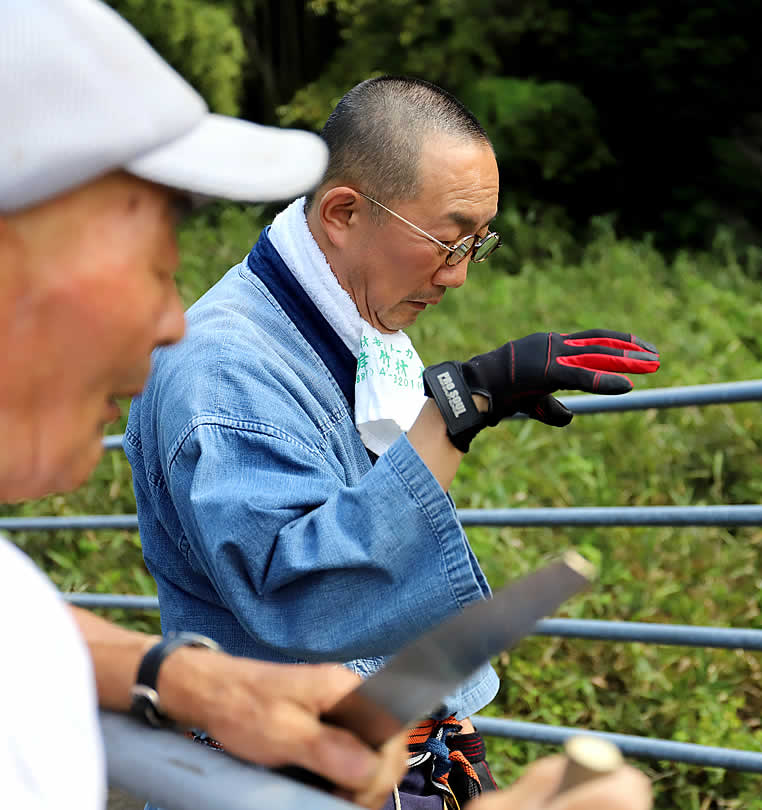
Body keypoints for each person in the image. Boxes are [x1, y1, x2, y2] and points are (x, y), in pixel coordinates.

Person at [1, 2, 653, 809]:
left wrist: (184, 681)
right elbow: (305, 598)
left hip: (355, 748)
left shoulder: (350, 323)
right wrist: (451, 413)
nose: (460, 274)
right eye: (147, 267)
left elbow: (19, 625)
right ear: (343, 213)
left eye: (477, 245)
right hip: (270, 778)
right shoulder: (220, 365)